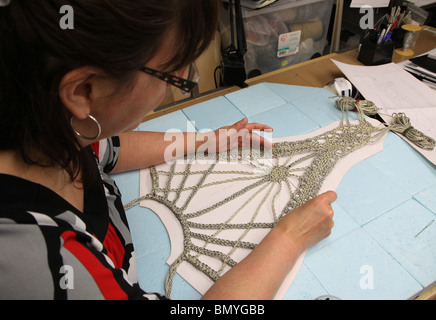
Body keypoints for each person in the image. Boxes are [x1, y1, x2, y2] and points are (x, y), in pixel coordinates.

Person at [0, 0, 336, 300]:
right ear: (83, 91)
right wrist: (288, 239)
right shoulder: (45, 259)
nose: (177, 82)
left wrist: (209, 140)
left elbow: (112, 149)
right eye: (171, 74)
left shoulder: (52, 129)